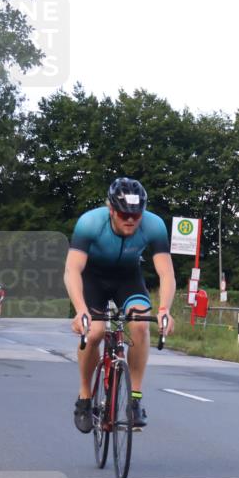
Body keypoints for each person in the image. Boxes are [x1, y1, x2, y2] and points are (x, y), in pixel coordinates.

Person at [64, 177, 176, 432]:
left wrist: (164, 309)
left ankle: (134, 400)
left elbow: (166, 273)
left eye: (136, 215)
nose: (130, 220)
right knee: (94, 332)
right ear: (111, 210)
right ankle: (84, 397)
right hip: (93, 278)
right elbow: (72, 269)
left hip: (128, 278)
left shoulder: (154, 225)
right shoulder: (90, 222)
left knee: (140, 326)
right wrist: (81, 310)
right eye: (124, 214)